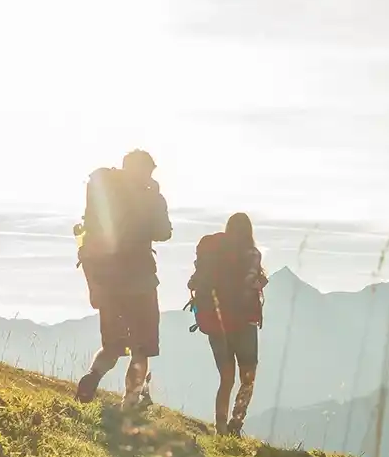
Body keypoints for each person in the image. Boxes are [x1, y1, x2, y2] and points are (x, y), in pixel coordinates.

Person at [73, 149, 172, 409]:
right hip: (141, 282)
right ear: (144, 170)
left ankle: (93, 376)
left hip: (108, 280)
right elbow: (164, 232)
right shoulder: (149, 197)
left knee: (113, 344)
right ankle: (129, 403)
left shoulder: (105, 192)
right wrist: (156, 198)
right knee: (142, 348)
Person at [188, 212, 267, 435]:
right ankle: (236, 423)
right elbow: (251, 282)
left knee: (226, 379)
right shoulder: (252, 254)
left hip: (216, 323)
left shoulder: (214, 255)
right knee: (247, 378)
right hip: (243, 324)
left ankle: (220, 428)